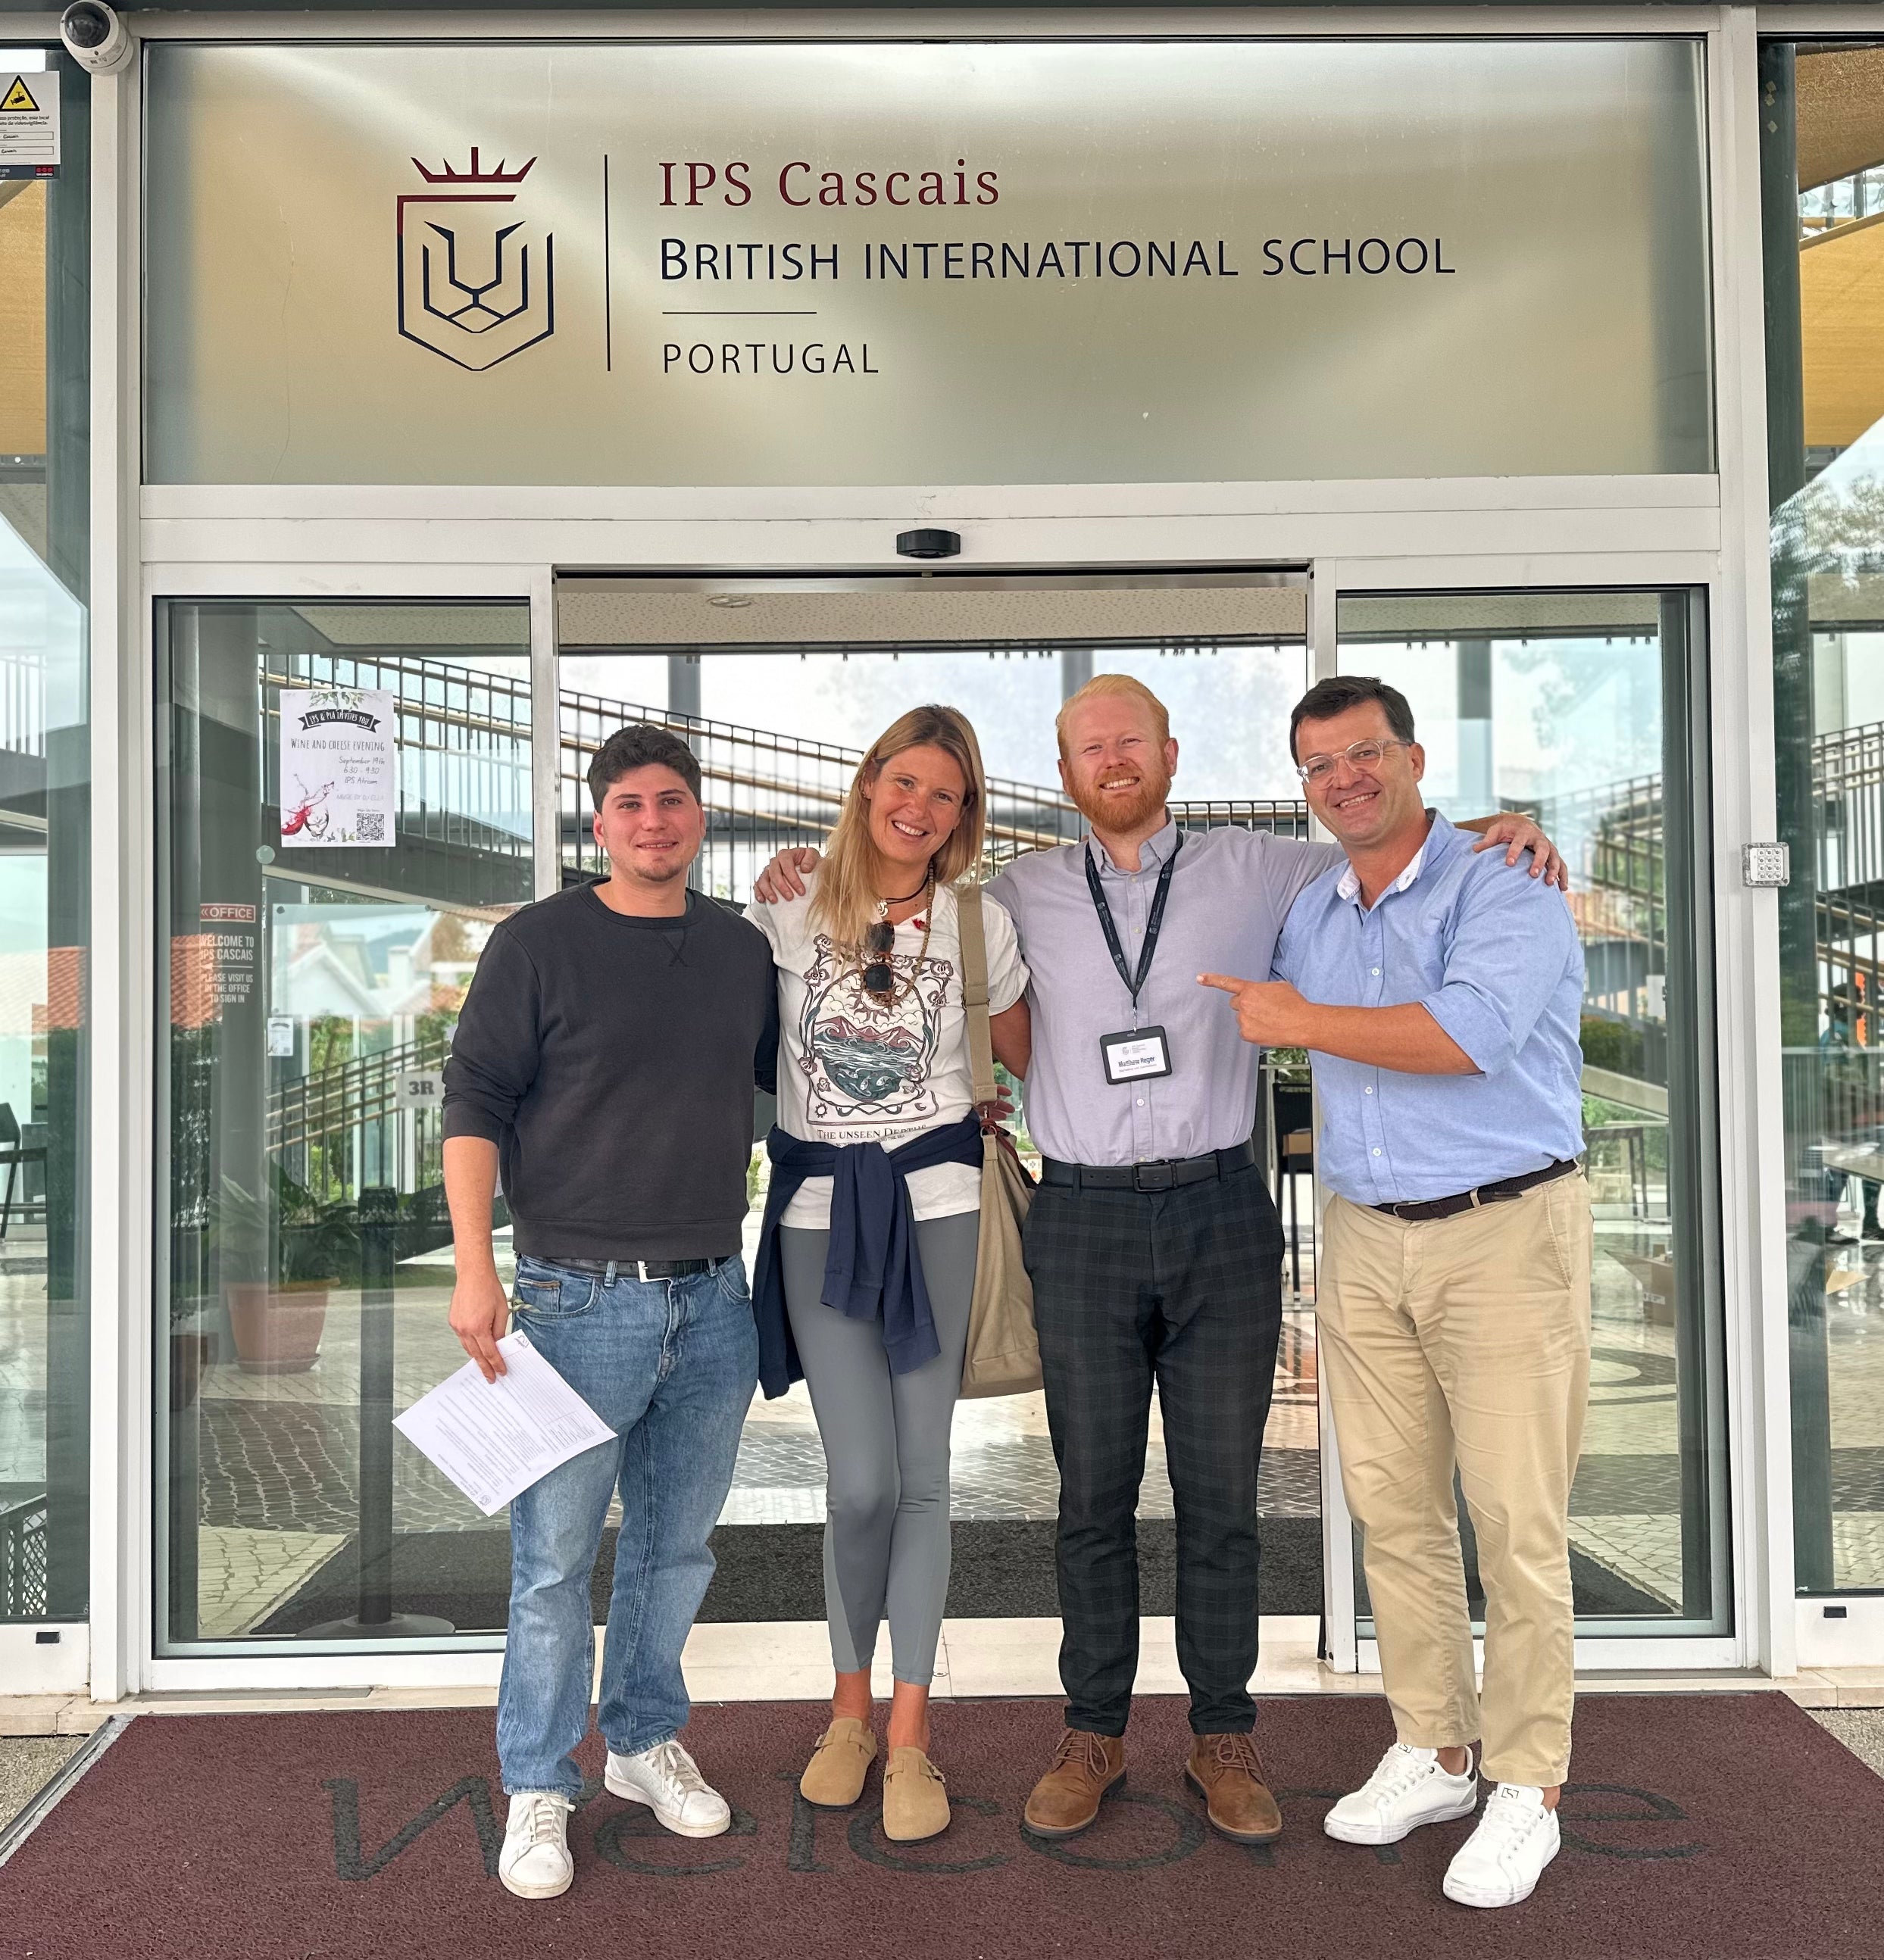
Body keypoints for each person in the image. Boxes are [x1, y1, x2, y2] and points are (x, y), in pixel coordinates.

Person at [755, 673, 1564, 1847]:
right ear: (1065, 772)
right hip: (1081, 1218)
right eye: (1091, 747)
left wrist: (1500, 826)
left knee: (1223, 1497)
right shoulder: (1013, 895)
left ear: (1170, 754)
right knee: (1089, 1496)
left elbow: (1382, 832)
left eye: (1131, 739)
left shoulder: (1262, 870)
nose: (1114, 760)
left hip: (1218, 1212)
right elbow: (904, 912)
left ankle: (1223, 1736)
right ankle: (1092, 1732)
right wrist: (795, 866)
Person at [1203, 673, 1589, 1910]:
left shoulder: (1504, 882)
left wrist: (1302, 1021)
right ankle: (1438, 1748)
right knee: (1394, 1509)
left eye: (1364, 753)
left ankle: (1529, 1783)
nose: (1344, 780)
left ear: (1414, 759)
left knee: (1516, 1522)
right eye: (1319, 766)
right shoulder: (1314, 911)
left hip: (1504, 1229)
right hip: (1366, 1236)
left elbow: (1469, 1035)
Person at [442, 723, 778, 1901]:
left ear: (700, 817)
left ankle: (640, 1741)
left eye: (672, 801)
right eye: (630, 804)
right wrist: (474, 1269)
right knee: (553, 1566)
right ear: (600, 825)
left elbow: (804, 1075)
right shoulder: (538, 943)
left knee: (676, 1549)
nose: (653, 821)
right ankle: (539, 1781)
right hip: (572, 1300)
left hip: (714, 1297)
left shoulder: (741, 951)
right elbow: (473, 1101)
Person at [746, 705, 1030, 1843]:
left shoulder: (980, 923)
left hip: (941, 1210)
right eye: (905, 782)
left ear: (963, 818)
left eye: (945, 795)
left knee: (925, 1478)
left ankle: (906, 1730)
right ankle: (845, 1708)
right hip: (819, 1214)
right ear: (869, 785)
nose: (920, 807)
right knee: (859, 1481)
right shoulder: (785, 909)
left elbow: (1036, 1051)